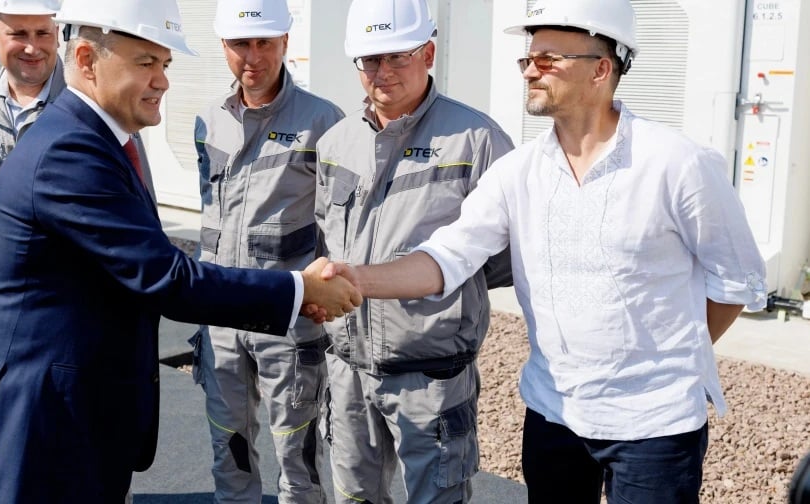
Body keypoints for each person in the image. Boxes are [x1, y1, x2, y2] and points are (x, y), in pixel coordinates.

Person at [321, 0, 767, 502]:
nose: (531, 70)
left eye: (549, 60)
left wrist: (673, 357)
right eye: (528, 59)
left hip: (654, 427)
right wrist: (357, 278)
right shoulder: (520, 171)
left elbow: (736, 281)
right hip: (554, 416)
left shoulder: (677, 164)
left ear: (602, 68)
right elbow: (449, 256)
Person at [0, 0, 361, 501]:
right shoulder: (71, 152)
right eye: (145, 63)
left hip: (75, 417)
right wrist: (301, 289)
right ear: (86, 59)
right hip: (46, 428)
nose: (162, 81)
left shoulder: (99, 140)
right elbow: (166, 278)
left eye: (164, 64)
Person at [313, 0, 514, 502]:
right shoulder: (335, 142)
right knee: (354, 495)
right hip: (348, 369)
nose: (381, 73)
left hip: (432, 378)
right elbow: (325, 234)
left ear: (427, 51)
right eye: (369, 60)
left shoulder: (478, 141)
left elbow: (502, 258)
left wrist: (432, 302)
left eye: (396, 57)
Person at [0, 0, 156, 367]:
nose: (32, 47)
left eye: (42, 33)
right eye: (19, 34)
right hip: (1, 315)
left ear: (59, 35)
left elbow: (141, 213)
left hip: (80, 316)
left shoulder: (96, 110)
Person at [191, 0, 344, 502]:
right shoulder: (207, 120)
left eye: (264, 43)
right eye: (241, 44)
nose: (252, 57)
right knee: (228, 449)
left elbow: (337, 233)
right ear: (224, 47)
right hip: (220, 320)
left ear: (285, 43)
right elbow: (209, 221)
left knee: (296, 460)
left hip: (289, 322)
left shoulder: (324, 122)